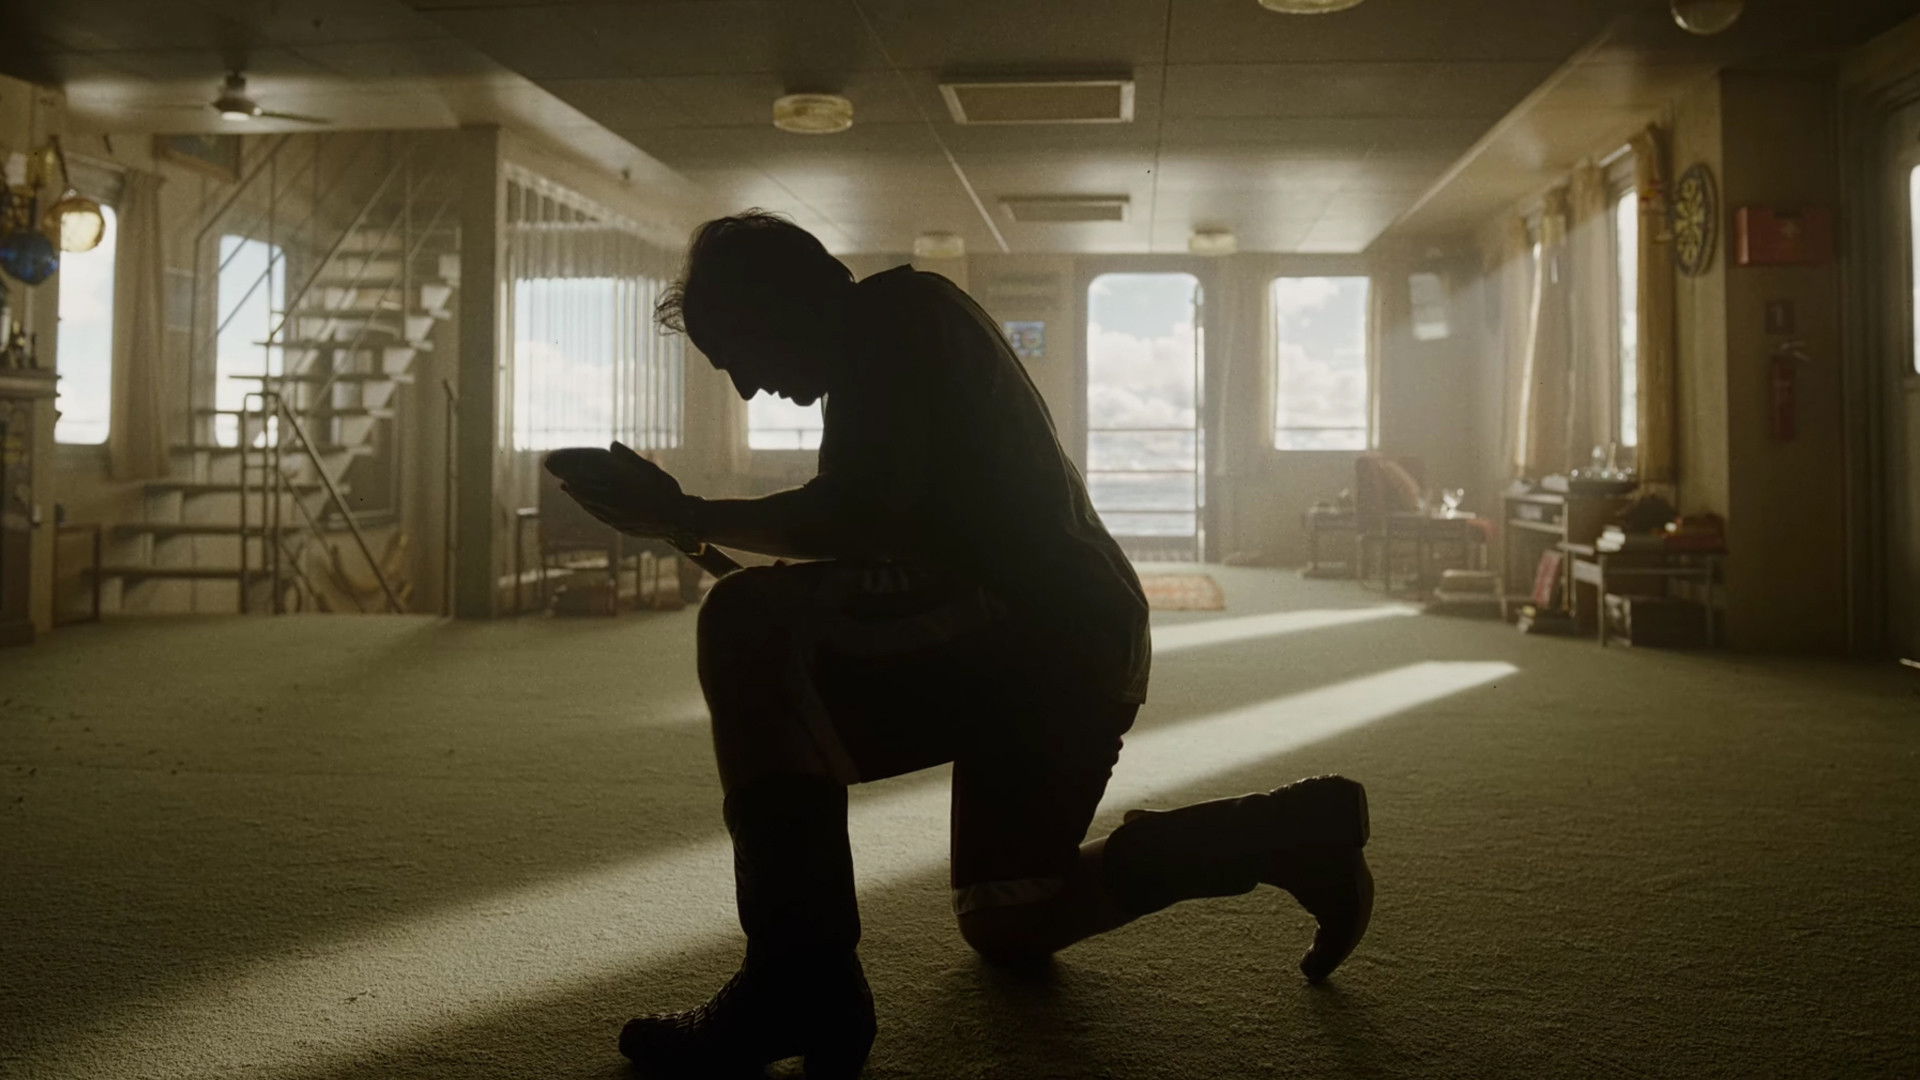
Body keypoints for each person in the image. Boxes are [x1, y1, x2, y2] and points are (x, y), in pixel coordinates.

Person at [554, 211, 1373, 1079]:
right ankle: (1286, 830)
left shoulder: (896, 322)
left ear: (784, 299)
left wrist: (685, 513)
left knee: (744, 622)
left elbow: (857, 518)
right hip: (1075, 644)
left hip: (1039, 629)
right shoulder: (896, 332)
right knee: (1011, 921)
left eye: (739, 356)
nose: (749, 389)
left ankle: (796, 980)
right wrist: (684, 525)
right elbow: (876, 539)